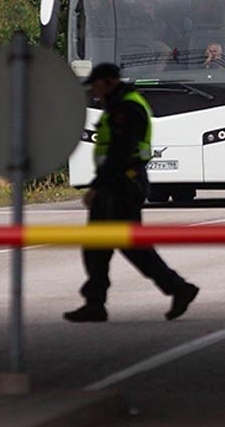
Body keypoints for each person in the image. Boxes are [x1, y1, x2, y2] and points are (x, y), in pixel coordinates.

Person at [64, 62, 199, 323]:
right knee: (109, 246)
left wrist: (97, 186)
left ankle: (176, 288)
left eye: (95, 85)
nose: (93, 91)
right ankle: (97, 302)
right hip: (119, 184)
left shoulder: (127, 108)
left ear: (108, 82)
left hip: (121, 185)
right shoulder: (118, 105)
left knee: (120, 246)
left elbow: (119, 152)